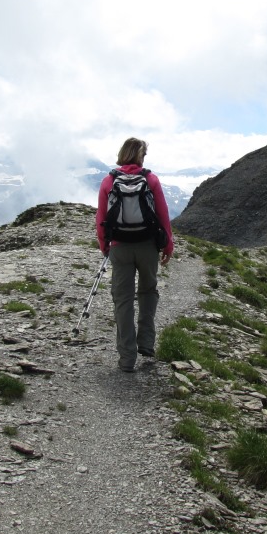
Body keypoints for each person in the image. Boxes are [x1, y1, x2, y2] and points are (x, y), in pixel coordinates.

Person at [96, 138, 174, 372]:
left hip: (120, 246)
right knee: (148, 290)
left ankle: (127, 358)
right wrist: (168, 245)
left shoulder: (109, 181)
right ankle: (146, 342)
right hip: (147, 245)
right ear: (141, 156)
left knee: (123, 299)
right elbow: (163, 214)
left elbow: (101, 218)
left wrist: (105, 245)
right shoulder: (151, 180)